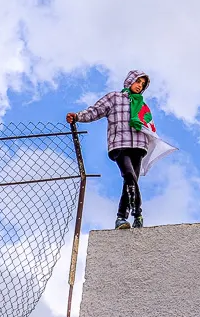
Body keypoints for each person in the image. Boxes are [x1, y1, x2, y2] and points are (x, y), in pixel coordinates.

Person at [66, 70, 155, 230]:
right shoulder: (114, 97)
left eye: (142, 85)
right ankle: (137, 213)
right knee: (128, 175)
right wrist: (78, 116)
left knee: (130, 181)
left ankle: (121, 218)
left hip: (139, 146)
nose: (139, 86)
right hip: (119, 144)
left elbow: (148, 125)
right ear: (130, 81)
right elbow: (95, 110)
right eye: (137, 82)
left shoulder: (143, 106)